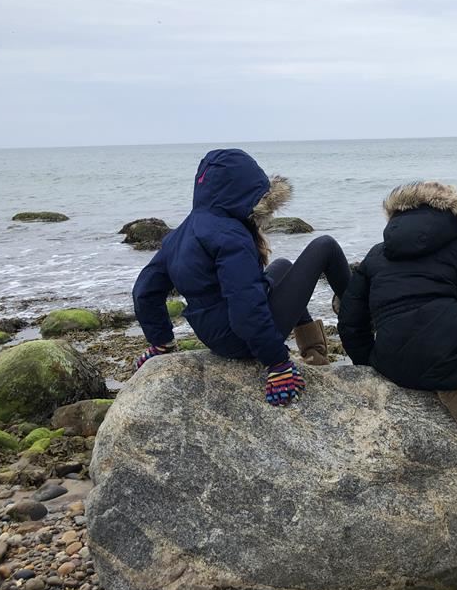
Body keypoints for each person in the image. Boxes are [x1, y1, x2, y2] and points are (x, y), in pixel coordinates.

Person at [131, 148, 351, 406]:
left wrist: (161, 342)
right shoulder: (230, 236)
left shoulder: (179, 234)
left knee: (281, 266)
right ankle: (357, 311)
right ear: (244, 192)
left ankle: (315, 354)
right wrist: (277, 362)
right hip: (240, 339)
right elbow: (245, 307)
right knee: (324, 246)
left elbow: (144, 292)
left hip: (212, 333)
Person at [338, 181, 457, 436]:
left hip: (390, 365)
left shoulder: (376, 253)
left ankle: (445, 377)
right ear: (452, 217)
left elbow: (351, 319)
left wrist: (369, 361)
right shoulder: (455, 247)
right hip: (451, 360)